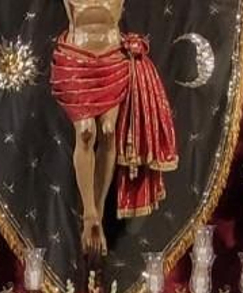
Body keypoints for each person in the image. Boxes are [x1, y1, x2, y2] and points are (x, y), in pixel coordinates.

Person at [51, 0, 179, 257]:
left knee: (108, 130)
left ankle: (96, 214)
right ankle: (88, 215)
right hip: (76, 62)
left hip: (112, 61)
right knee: (86, 132)